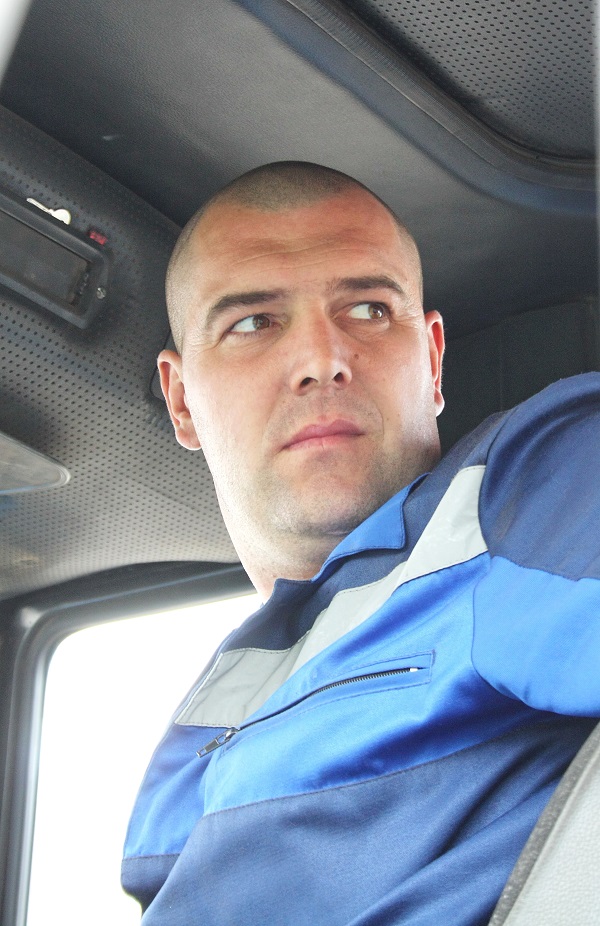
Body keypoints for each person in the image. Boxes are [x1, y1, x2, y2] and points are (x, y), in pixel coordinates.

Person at [122, 162, 600, 925]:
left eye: (370, 309)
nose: (323, 359)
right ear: (182, 401)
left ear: (432, 361)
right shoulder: (209, 717)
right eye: (254, 323)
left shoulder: (521, 491)